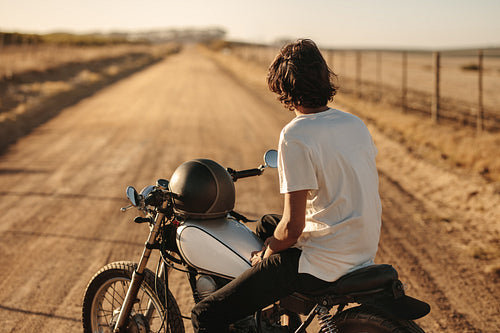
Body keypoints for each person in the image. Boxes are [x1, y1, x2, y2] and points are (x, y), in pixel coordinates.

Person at [191, 39, 382, 332]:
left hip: (325, 261)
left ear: (283, 87)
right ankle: (283, 319)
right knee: (268, 224)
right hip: (361, 247)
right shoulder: (354, 124)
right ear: (322, 77)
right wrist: (272, 239)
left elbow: (292, 228)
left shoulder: (296, 134)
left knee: (205, 315)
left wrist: (265, 255)